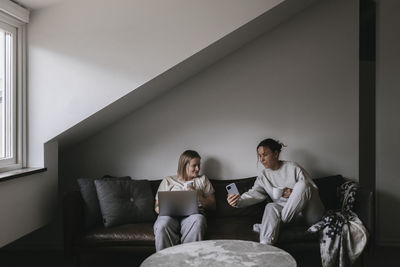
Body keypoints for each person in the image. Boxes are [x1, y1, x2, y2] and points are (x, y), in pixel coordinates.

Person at [227, 138, 325, 245]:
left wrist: (294, 193)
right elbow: (253, 194)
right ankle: (265, 246)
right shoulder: (264, 176)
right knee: (270, 206)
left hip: (309, 213)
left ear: (276, 154)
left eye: (264, 155)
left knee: (304, 184)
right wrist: (237, 201)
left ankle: (273, 224)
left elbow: (311, 190)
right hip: (292, 218)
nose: (261, 159)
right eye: (259, 156)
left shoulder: (293, 168)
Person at [153, 150, 216, 251]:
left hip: (193, 216)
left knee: (198, 220)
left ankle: (188, 258)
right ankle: (165, 260)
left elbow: (213, 205)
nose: (198, 168)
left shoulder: (203, 179)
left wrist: (197, 196)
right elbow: (156, 206)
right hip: (170, 217)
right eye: (194, 165)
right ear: (184, 165)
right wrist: (161, 208)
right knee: (162, 224)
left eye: (199, 165)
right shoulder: (168, 180)